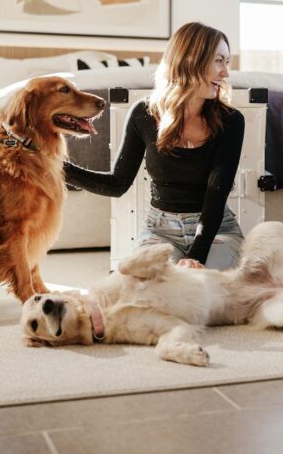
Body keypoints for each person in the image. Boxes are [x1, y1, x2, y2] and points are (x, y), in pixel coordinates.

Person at [64, 22, 245, 270]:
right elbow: (117, 184)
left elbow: (217, 193)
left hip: (217, 232)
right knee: (143, 286)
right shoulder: (144, 114)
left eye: (227, 62)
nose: (225, 73)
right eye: (219, 61)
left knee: (198, 288)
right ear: (190, 59)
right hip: (160, 231)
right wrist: (57, 168)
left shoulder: (231, 121)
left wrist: (196, 258)